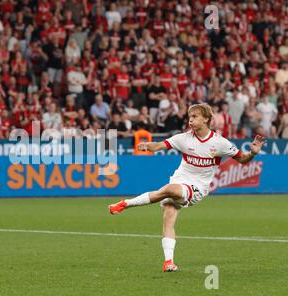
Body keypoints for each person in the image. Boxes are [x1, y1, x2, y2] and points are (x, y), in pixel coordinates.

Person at [108, 103, 266, 272]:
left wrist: (253, 153)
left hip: (198, 187)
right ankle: (168, 262)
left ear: (206, 119)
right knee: (168, 217)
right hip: (180, 178)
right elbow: (160, 145)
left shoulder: (220, 143)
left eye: (195, 117)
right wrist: (148, 145)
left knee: (170, 189)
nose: (190, 120)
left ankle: (127, 203)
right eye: (189, 117)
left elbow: (242, 159)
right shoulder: (182, 138)